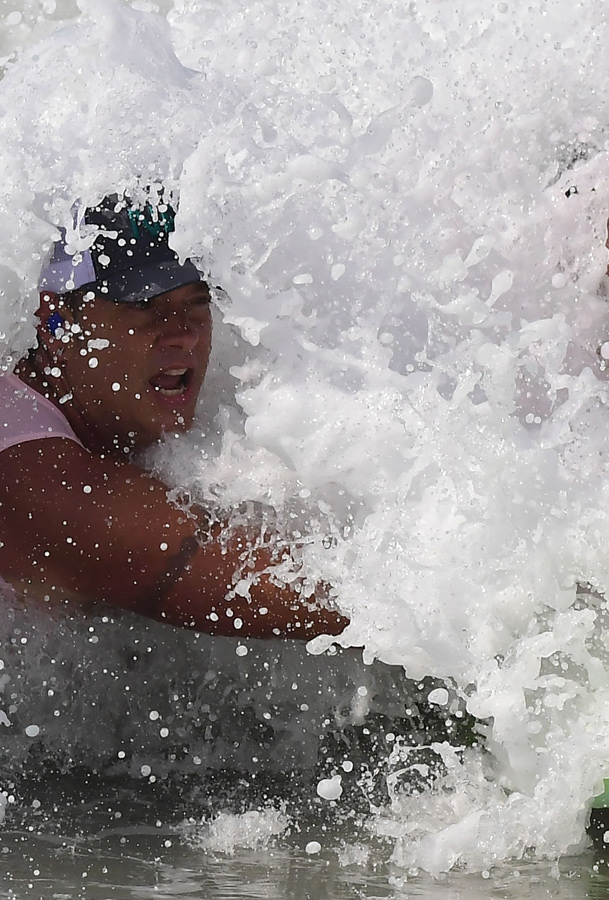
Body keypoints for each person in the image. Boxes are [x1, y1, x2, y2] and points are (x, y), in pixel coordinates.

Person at [0, 193, 348, 640]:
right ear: (58, 322)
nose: (183, 332)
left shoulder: (109, 403)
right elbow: (256, 578)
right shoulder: (27, 474)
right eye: (144, 305)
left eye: (197, 301)